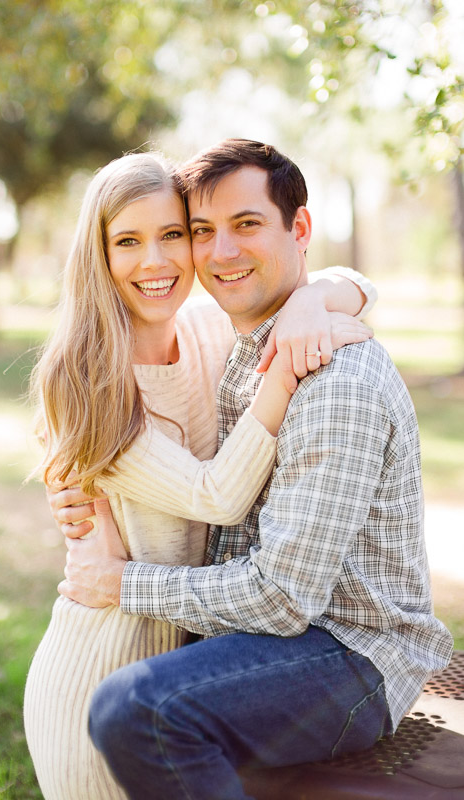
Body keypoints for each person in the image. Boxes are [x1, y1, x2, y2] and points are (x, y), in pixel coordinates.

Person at [56, 139, 453, 800]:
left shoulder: (335, 380)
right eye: (203, 232)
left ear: (298, 229)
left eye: (246, 225)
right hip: (286, 637)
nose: (221, 253)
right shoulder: (243, 343)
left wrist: (120, 582)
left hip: (354, 655)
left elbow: (281, 599)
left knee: (139, 709)